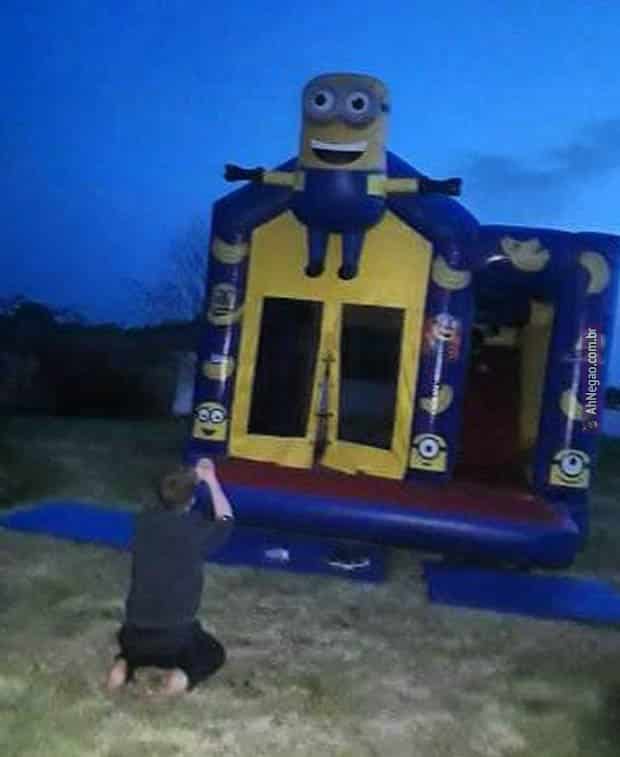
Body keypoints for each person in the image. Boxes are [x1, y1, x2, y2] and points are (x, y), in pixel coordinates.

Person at [106, 457, 234, 695]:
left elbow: (168, 492)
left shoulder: (143, 523)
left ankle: (125, 665)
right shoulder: (195, 530)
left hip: (133, 633)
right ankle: (182, 677)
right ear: (192, 500)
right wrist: (211, 480)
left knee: (134, 649)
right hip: (175, 636)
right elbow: (226, 519)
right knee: (213, 653)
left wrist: (188, 479)